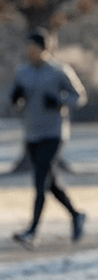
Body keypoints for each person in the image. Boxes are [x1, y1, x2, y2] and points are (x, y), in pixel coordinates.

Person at [9, 28, 88, 249]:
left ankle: (32, 231)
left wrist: (60, 101)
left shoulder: (59, 71)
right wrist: (15, 98)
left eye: (34, 47)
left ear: (44, 49)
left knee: (39, 181)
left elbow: (79, 97)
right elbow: (16, 100)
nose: (30, 51)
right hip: (32, 133)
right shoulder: (22, 71)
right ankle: (76, 214)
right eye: (28, 47)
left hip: (54, 133)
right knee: (49, 182)